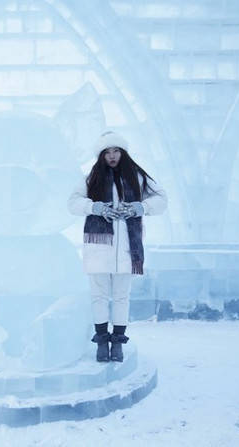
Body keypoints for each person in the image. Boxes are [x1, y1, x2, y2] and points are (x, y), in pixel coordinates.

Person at [68, 131, 168, 362]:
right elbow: (72, 202)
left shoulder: (137, 177)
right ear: (101, 156)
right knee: (99, 296)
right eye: (107, 152)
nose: (112, 156)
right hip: (99, 248)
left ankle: (118, 343)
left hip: (126, 250)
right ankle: (102, 342)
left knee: (122, 297)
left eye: (116, 151)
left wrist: (139, 207)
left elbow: (162, 199)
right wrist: (96, 208)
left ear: (123, 153)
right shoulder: (91, 178)